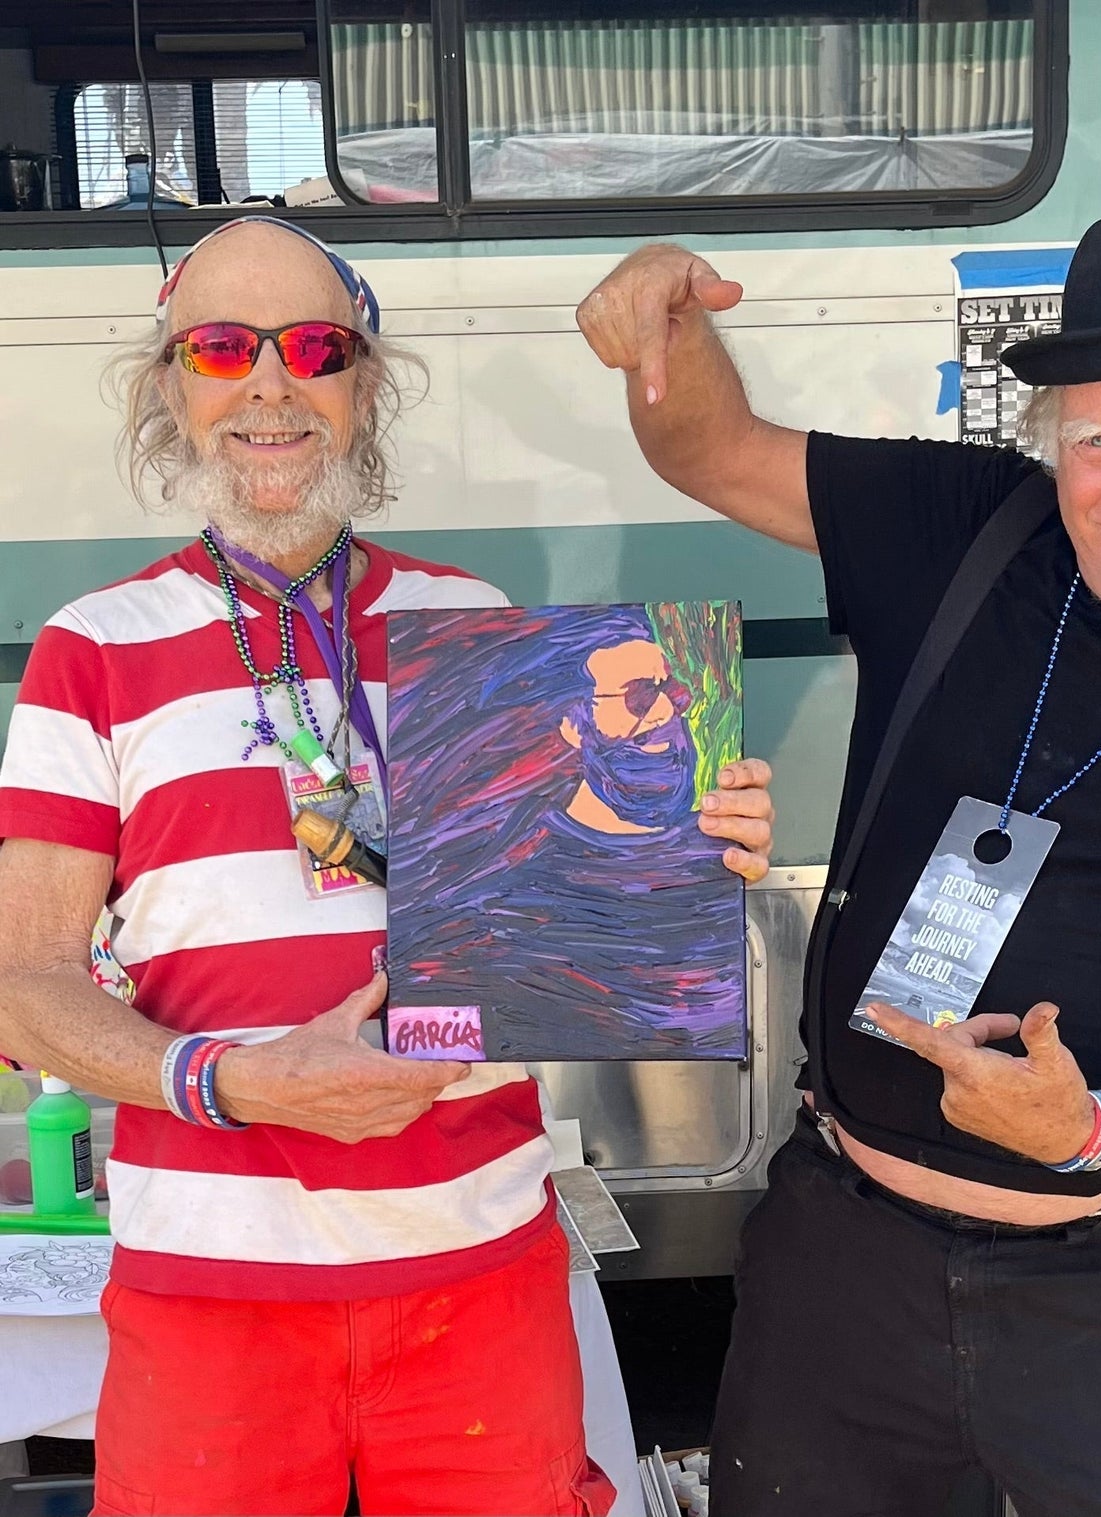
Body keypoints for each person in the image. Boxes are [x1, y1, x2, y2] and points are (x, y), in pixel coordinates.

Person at [577, 210, 1101, 1516]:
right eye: (1095, 440)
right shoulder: (964, 528)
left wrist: (1098, 1125)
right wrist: (665, 327)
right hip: (837, 1259)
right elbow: (709, 445)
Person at [0, 215, 777, 1517]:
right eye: (220, 350)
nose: (268, 385)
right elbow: (23, 985)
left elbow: (577, 919)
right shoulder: (94, 647)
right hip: (212, 1297)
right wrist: (233, 1078)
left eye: (314, 348)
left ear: (364, 387)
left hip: (479, 1270)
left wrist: (690, 841)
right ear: (169, 387)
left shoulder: (470, 626)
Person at [388, 602, 747, 1059]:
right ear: (573, 724)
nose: (662, 714)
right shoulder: (504, 906)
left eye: (669, 691)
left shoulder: (718, 860)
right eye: (637, 694)